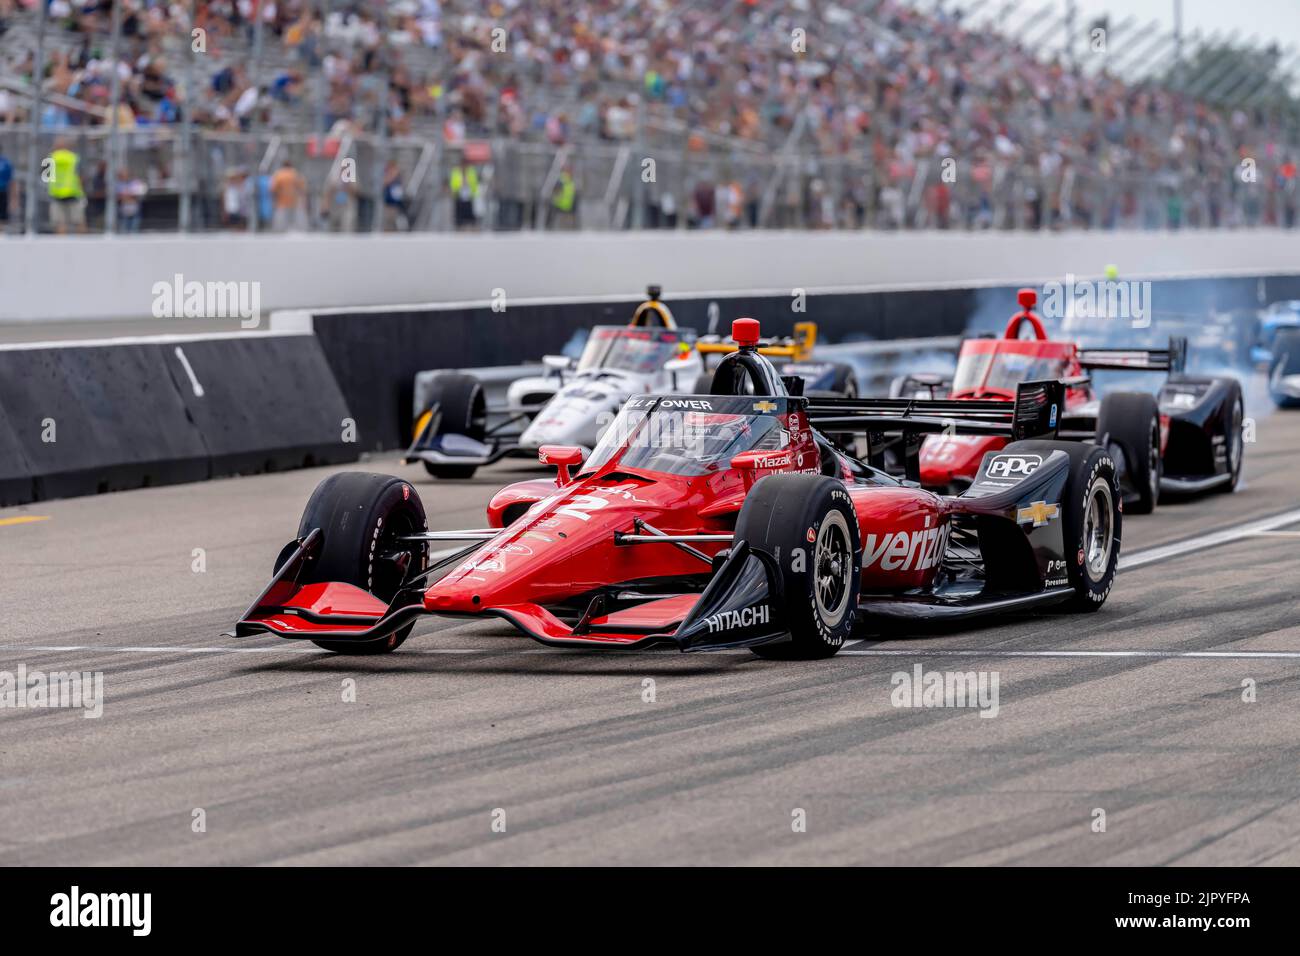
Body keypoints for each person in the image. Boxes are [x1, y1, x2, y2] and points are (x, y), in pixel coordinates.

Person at [47, 138, 86, 234]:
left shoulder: (50, 158)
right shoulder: (74, 158)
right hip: (73, 192)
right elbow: (81, 176)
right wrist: (82, 192)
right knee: (79, 221)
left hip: (56, 194)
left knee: (60, 223)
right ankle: (83, 244)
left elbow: (45, 176)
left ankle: (60, 245)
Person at [269, 158, 307, 232]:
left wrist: (274, 198)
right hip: (294, 200)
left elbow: (273, 189)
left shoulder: (278, 175)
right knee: (296, 220)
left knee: (281, 220)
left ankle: (280, 231)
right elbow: (302, 188)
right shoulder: (295, 174)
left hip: (281, 201)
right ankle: (298, 230)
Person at [448, 158, 479, 230]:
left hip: (469, 195)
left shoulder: (471, 172)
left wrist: (473, 191)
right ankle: (459, 226)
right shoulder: (456, 172)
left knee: (469, 211)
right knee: (459, 212)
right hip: (459, 194)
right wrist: (456, 188)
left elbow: (474, 183)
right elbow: (453, 183)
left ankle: (471, 226)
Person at [114, 167, 146, 233]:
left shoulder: (136, 182)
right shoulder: (118, 184)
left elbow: (139, 194)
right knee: (123, 232)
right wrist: (129, 195)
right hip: (123, 212)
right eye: (122, 175)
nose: (124, 177)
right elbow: (118, 196)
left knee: (134, 232)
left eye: (125, 174)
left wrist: (127, 196)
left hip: (135, 211)